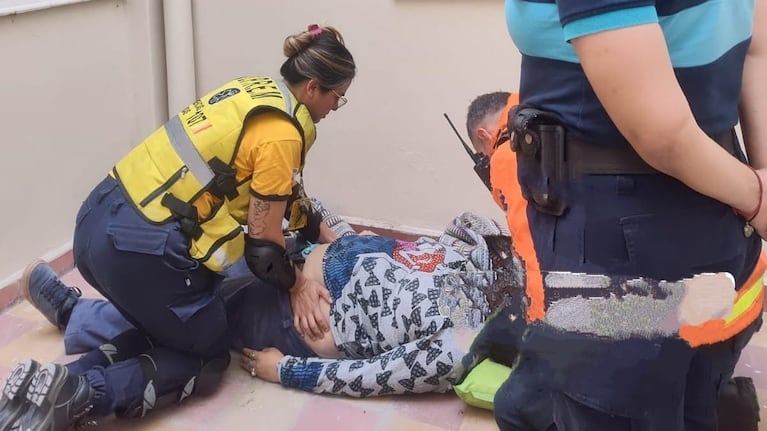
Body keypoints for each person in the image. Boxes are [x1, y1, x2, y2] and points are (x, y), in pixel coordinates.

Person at [0, 24, 356, 431]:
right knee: (205, 353)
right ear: (313, 87)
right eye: (337, 96)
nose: (335, 106)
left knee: (182, 320)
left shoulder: (254, 92)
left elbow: (280, 194)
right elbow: (264, 251)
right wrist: (298, 286)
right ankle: (83, 392)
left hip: (98, 222)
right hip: (141, 250)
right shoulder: (282, 136)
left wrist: (327, 234)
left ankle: (53, 378)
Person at [495, 1, 767, 430]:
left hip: (623, 247)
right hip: (718, 210)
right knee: (696, 404)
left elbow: (660, 131)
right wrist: (759, 185)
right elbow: (756, 48)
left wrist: (757, 196)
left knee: (617, 409)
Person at [9, 213, 512, 398]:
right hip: (298, 260)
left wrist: (286, 371)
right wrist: (323, 226)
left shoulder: (468, 342)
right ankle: (81, 316)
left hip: (300, 321)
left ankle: (76, 320)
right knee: (202, 271)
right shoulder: (491, 258)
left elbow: (377, 374)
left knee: (193, 319)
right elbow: (466, 222)